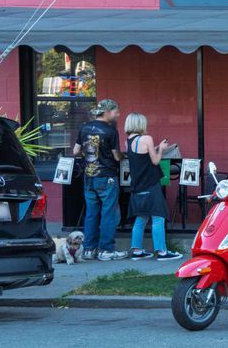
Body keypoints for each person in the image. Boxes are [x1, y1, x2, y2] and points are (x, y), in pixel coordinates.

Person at [73, 99, 127, 261]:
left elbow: (76, 151)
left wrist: (87, 156)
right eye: (116, 112)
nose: (118, 115)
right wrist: (123, 156)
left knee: (91, 213)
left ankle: (89, 250)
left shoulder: (84, 127)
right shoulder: (110, 131)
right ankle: (106, 250)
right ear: (107, 112)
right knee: (109, 214)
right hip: (106, 177)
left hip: (89, 177)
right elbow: (116, 156)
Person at [124, 113, 182, 261]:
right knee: (158, 218)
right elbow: (155, 161)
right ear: (140, 124)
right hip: (150, 184)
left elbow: (141, 156)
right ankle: (162, 252)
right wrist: (161, 148)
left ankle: (137, 251)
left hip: (137, 186)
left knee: (141, 218)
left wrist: (154, 148)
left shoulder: (128, 142)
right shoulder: (147, 138)